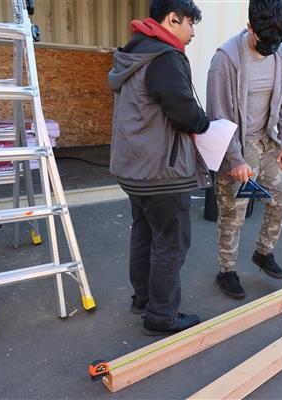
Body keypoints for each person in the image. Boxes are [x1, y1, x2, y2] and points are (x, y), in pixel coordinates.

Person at [108, 0, 210, 335]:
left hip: (134, 168)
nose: (193, 32)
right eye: (190, 24)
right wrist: (205, 122)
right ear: (172, 19)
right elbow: (184, 113)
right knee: (170, 242)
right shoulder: (165, 57)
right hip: (161, 173)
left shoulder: (135, 54)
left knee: (145, 233)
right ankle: (161, 316)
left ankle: (143, 299)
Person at [206, 0, 282, 300]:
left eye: (277, 42)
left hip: (265, 142)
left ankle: (263, 252)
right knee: (234, 214)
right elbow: (217, 118)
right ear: (249, 27)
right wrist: (234, 159)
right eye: (265, 42)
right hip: (235, 146)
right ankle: (227, 271)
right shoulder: (225, 60)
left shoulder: (281, 53)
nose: (271, 48)